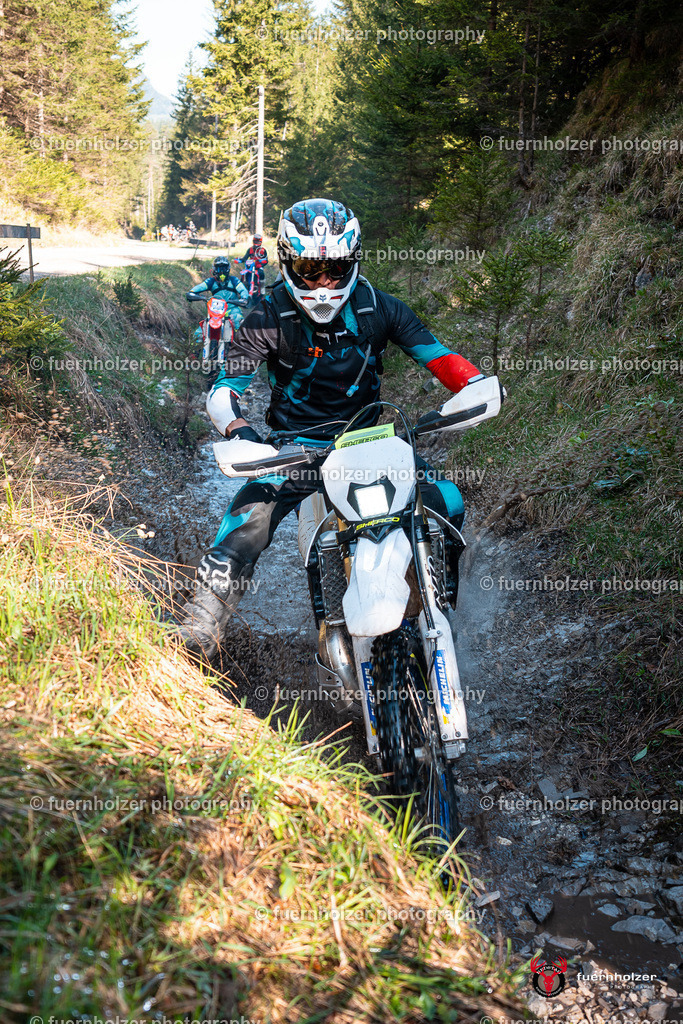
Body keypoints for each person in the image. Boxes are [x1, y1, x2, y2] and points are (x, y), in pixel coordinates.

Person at [177, 198, 491, 660]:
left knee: (447, 501)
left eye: (334, 268)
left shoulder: (378, 307)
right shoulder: (266, 315)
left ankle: (437, 607)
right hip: (294, 449)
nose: (322, 282)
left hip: (369, 440)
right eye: (308, 268)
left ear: (352, 260)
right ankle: (200, 627)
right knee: (246, 521)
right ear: (287, 262)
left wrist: (474, 383)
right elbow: (225, 388)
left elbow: (438, 355)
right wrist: (241, 434)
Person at [237, 233, 269, 304]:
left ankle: (262, 291)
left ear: (260, 242)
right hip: (250, 267)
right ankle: (239, 290)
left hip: (258, 267)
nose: (256, 243)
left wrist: (261, 265)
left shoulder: (263, 250)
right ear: (253, 241)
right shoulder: (250, 249)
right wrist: (240, 260)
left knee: (261, 274)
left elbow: (266, 260)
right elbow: (245, 257)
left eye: (258, 241)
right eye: (255, 241)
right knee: (243, 274)